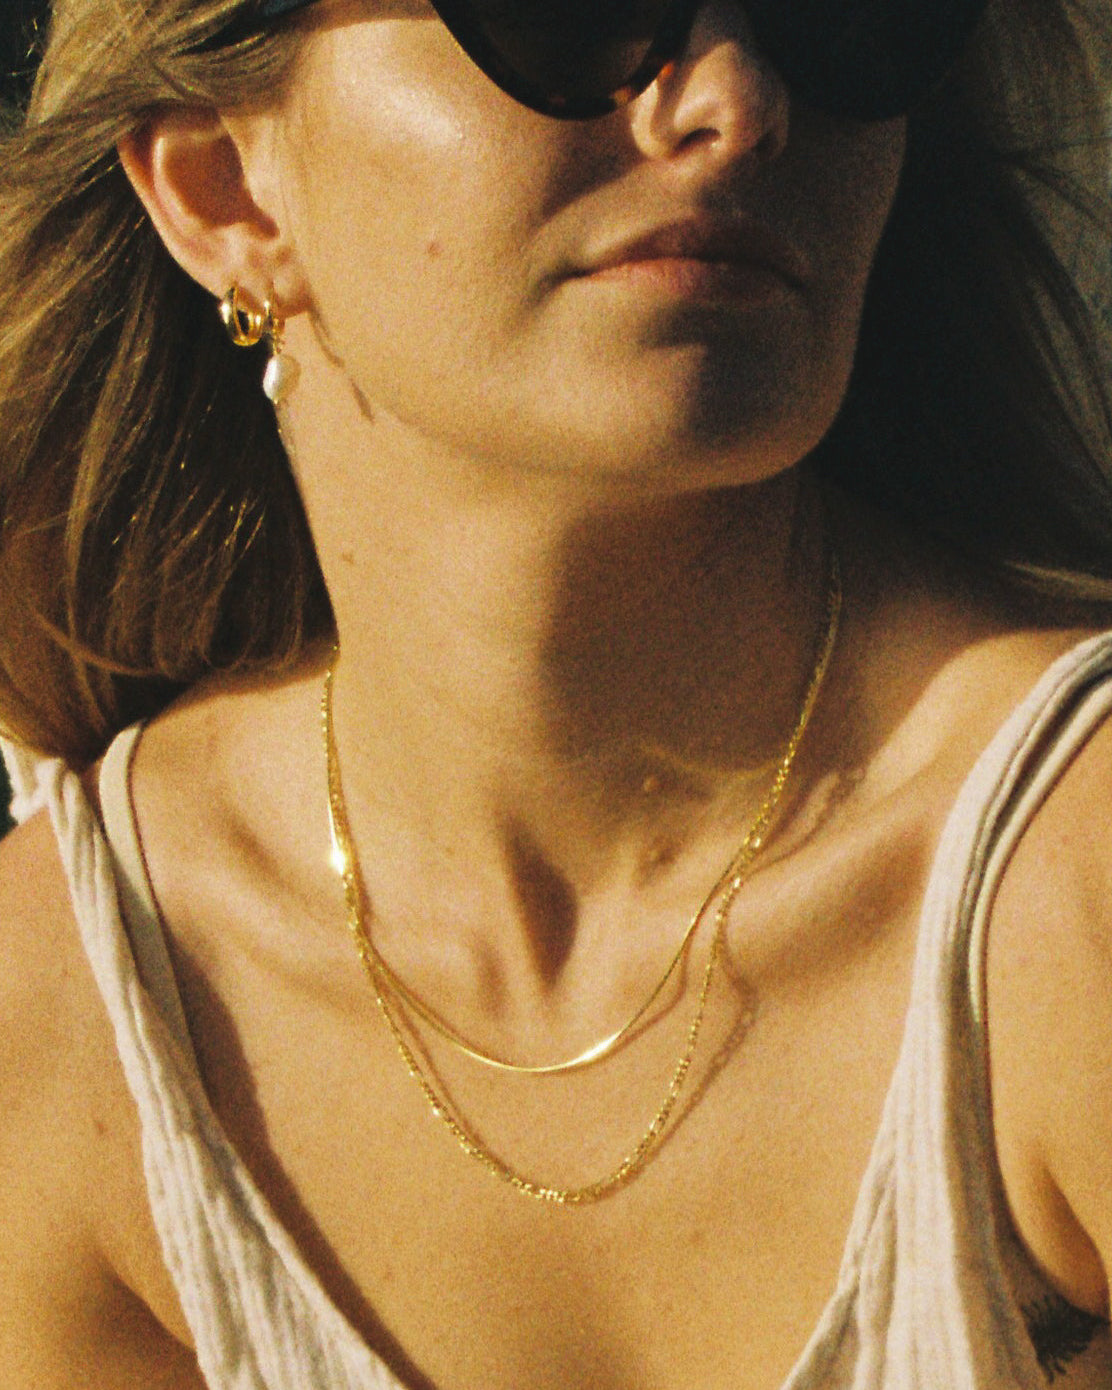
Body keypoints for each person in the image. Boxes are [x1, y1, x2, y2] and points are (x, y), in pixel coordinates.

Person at [1, 0, 1112, 1385]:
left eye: (845, 12)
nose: (738, 103)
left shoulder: (1065, 890)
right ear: (223, 187)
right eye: (574, 10)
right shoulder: (78, 1014)